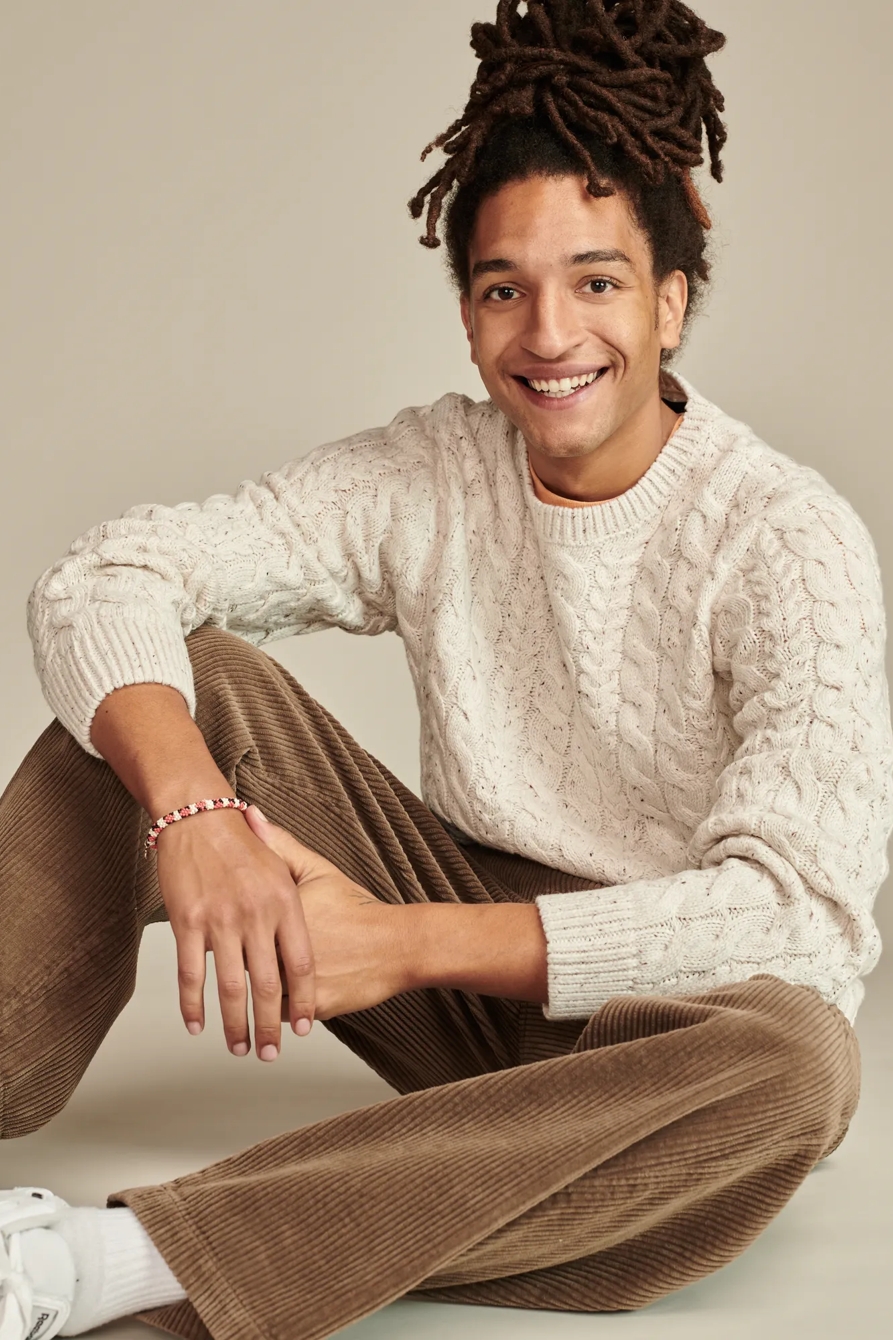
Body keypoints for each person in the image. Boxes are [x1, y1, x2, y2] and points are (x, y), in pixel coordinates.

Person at [2, 1, 891, 1337]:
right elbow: (105, 578)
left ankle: (116, 1263)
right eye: (502, 288)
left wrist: (396, 943)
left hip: (664, 1038)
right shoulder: (437, 473)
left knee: (797, 1066)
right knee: (171, 689)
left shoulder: (782, 537)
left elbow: (799, 921)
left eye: (597, 282)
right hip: (454, 981)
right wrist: (194, 814)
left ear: (670, 299)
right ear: (468, 314)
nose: (549, 335)